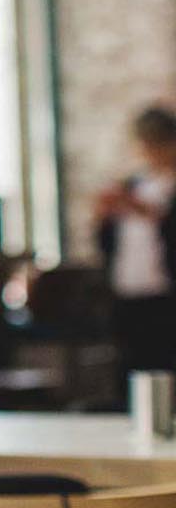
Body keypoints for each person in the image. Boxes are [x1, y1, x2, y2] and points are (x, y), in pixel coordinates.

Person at [97, 106, 176, 380]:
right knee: (132, 364)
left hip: (166, 291)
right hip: (130, 288)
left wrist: (152, 214)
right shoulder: (132, 185)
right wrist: (104, 217)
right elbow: (111, 240)